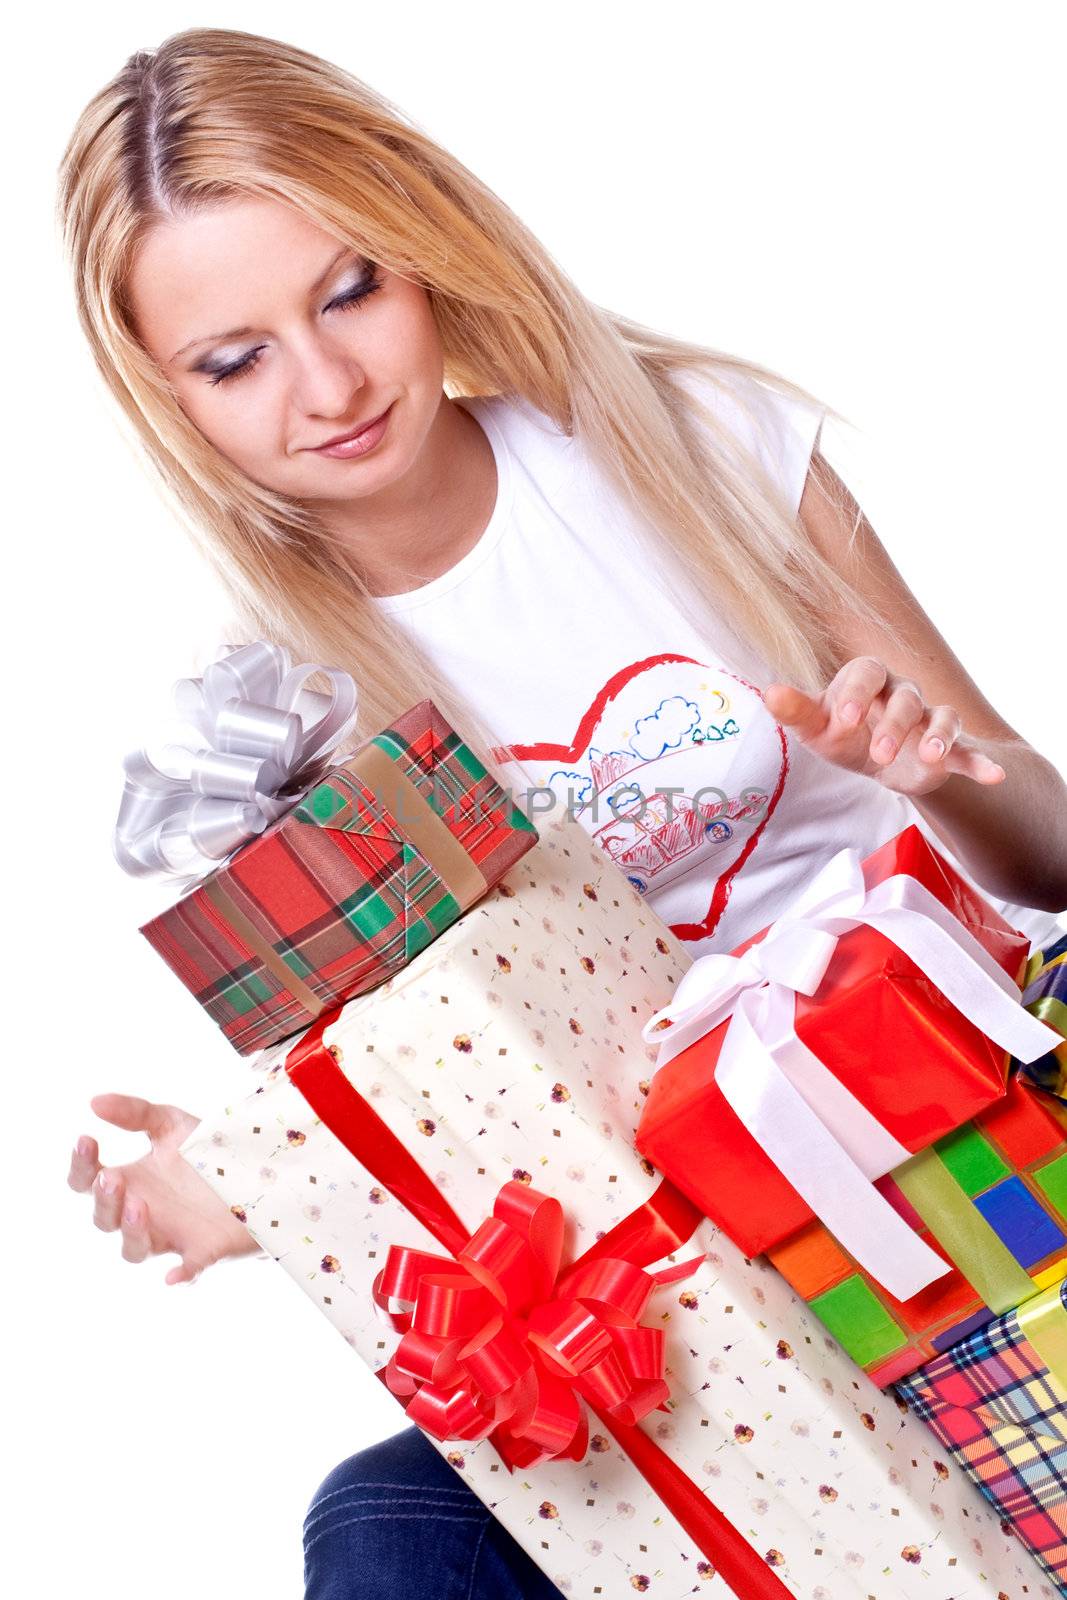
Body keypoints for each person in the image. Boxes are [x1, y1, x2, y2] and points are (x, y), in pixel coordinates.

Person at [58, 25, 1067, 1600]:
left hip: (964, 1139)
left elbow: (1056, 865)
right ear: (167, 397)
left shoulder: (692, 446)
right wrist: (278, 1178)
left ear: (421, 248)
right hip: (715, 1267)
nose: (325, 387)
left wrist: (947, 775)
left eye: (350, 292)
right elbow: (480, 1122)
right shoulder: (273, 718)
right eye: (235, 359)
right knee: (386, 1534)